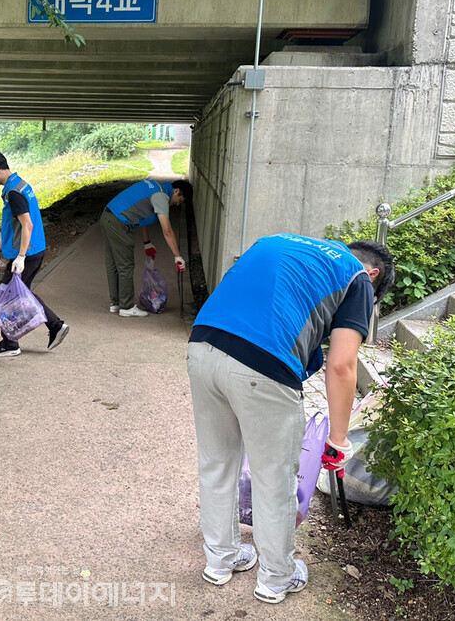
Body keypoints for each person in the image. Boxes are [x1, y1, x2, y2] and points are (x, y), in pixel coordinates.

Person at [186, 234, 394, 604]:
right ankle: (276, 577)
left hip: (201, 349)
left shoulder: (284, 243)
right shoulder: (356, 278)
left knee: (217, 463)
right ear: (373, 274)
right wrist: (340, 439)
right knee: (275, 479)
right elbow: (343, 365)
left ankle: (220, 560)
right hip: (262, 366)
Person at [0, 150, 69, 358]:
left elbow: (27, 224)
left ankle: (11, 343)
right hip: (29, 251)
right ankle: (54, 326)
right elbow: (11, 226)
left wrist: (21, 256)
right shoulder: (17, 185)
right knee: (19, 294)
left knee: (9, 297)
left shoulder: (14, 192)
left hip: (27, 253)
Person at [101, 178, 192, 317]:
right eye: (179, 200)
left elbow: (142, 216)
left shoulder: (154, 186)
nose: (177, 204)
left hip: (107, 216)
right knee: (126, 265)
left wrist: (147, 242)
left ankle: (116, 303)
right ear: (176, 191)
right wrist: (177, 255)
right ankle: (127, 306)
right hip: (119, 222)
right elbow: (167, 230)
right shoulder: (162, 196)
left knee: (113, 263)